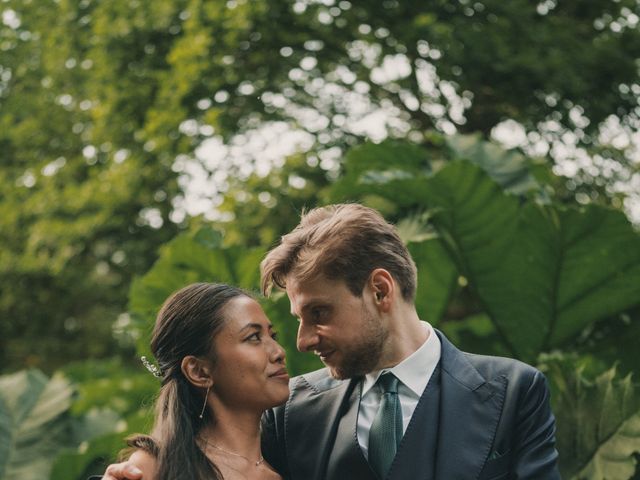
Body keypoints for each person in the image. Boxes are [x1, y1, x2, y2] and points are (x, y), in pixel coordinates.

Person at [101, 203, 560, 480]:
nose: (300, 342)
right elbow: (207, 451)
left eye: (319, 314)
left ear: (380, 291)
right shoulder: (289, 410)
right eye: (298, 319)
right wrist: (144, 465)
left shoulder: (513, 391)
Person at [99, 282, 290, 480]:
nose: (279, 352)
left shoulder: (294, 461)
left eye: (272, 335)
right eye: (253, 337)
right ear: (199, 372)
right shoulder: (153, 468)